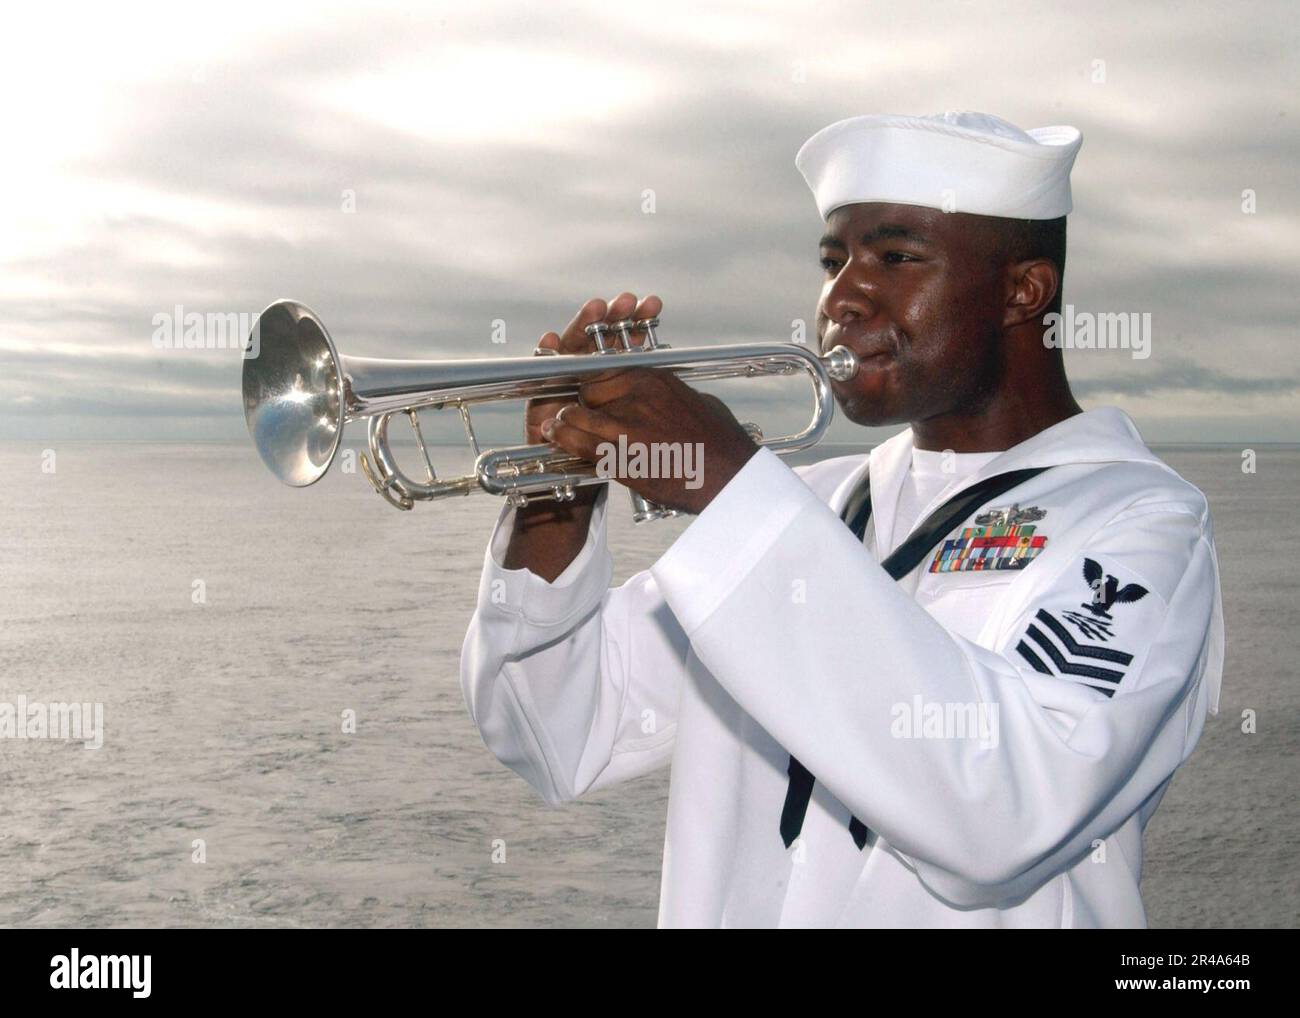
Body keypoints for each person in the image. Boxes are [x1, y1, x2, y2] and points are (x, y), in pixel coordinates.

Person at [459, 111, 1225, 928]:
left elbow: (1003, 813)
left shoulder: (1143, 526)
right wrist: (559, 495)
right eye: (833, 260)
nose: (839, 296)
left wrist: (729, 487)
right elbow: (558, 736)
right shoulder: (809, 506)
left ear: (1022, 290)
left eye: (895, 257)